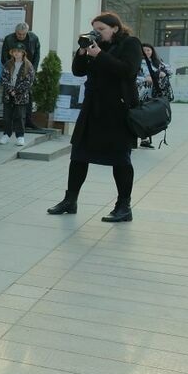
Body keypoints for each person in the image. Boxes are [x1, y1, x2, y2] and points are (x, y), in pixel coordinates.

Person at [47, 12, 142, 223]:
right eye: (95, 30)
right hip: (92, 109)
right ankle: (70, 200)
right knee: (78, 155)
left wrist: (99, 54)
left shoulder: (130, 44)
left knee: (120, 159)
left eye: (101, 30)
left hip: (117, 112)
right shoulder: (94, 47)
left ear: (115, 28)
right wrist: (82, 51)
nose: (97, 34)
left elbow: (127, 70)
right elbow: (78, 71)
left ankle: (124, 207)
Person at [2, 22, 42, 130]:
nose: (21, 36)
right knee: (11, 96)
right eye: (19, 34)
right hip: (13, 70)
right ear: (15, 32)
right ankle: (10, 123)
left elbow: (37, 55)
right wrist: (10, 69)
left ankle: (28, 121)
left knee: (27, 96)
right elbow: (4, 56)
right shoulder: (9, 39)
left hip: (27, 70)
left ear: (27, 32)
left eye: (23, 34)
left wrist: (33, 70)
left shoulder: (33, 38)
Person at [137, 41, 173, 148]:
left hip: (154, 94)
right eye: (143, 50)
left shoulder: (157, 62)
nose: (146, 52)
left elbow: (170, 69)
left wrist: (164, 73)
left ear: (152, 51)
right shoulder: (136, 62)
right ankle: (136, 139)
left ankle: (145, 139)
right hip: (140, 93)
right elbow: (133, 76)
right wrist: (144, 79)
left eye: (148, 50)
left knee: (149, 116)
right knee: (138, 116)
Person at [0, 45, 35, 146]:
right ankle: (6, 134)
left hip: (21, 97)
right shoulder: (8, 64)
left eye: (19, 51)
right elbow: (3, 79)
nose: (16, 53)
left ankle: (20, 136)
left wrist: (16, 91)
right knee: (7, 116)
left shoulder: (28, 65)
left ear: (23, 53)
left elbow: (29, 82)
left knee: (20, 116)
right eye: (14, 51)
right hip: (8, 95)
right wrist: (10, 90)